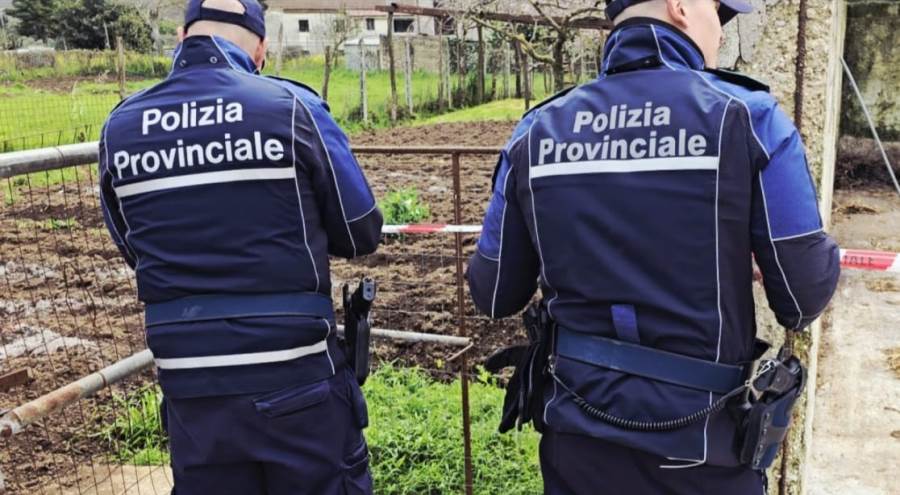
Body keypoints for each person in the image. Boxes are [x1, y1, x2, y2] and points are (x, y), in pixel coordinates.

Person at [467, 0, 841, 493]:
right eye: (719, 13)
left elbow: (493, 291)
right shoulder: (749, 117)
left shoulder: (536, 130)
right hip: (702, 452)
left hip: (576, 444)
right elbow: (802, 296)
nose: (721, 34)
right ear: (680, 6)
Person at [98, 0, 382, 493]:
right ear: (261, 49)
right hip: (297, 378)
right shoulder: (291, 107)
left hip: (192, 390)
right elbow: (360, 231)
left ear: (182, 37)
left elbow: (133, 249)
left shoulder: (120, 127)